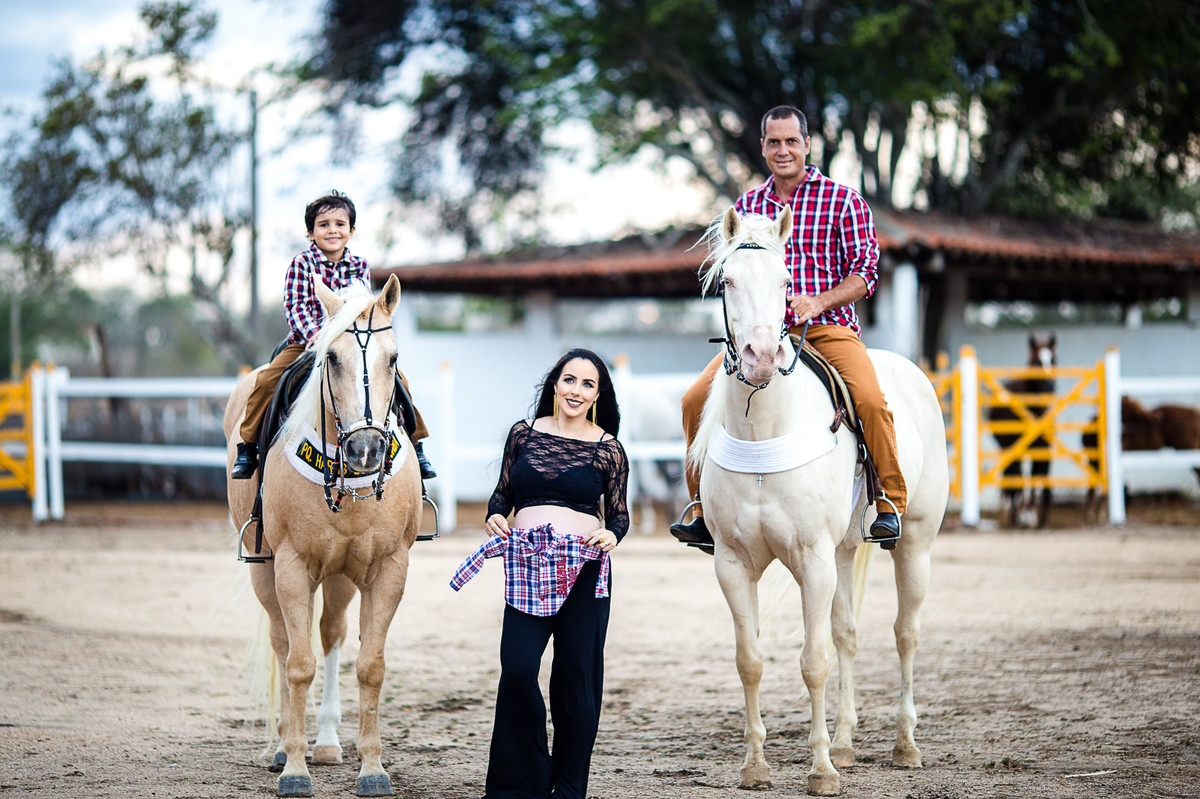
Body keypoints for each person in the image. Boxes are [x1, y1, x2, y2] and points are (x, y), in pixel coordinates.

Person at [669, 104, 906, 550]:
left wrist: (818, 301)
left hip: (826, 329)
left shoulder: (843, 200)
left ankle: (889, 500)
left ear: (807, 145)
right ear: (762, 147)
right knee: (693, 400)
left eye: (791, 141)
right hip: (761, 336)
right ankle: (700, 509)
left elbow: (866, 273)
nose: (783, 150)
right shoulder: (746, 207)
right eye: (774, 142)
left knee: (871, 400)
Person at [452, 348, 628, 799]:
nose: (576, 390)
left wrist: (611, 536)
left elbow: (620, 515)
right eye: (570, 380)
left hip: (584, 571)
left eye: (588, 384)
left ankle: (569, 787)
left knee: (575, 679)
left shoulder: (609, 448)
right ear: (555, 383)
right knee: (517, 668)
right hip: (528, 568)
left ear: (597, 394)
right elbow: (501, 496)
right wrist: (495, 517)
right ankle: (521, 782)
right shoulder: (524, 434)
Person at [230, 190, 436, 481]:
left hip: (350, 341)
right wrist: (315, 334)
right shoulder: (302, 264)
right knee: (266, 380)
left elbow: (363, 307)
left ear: (351, 231)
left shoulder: (359, 265)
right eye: (323, 224)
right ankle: (248, 446)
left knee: (398, 379)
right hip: (307, 341)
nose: (332, 230)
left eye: (340, 224)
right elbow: (295, 305)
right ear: (310, 232)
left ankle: (417, 443)